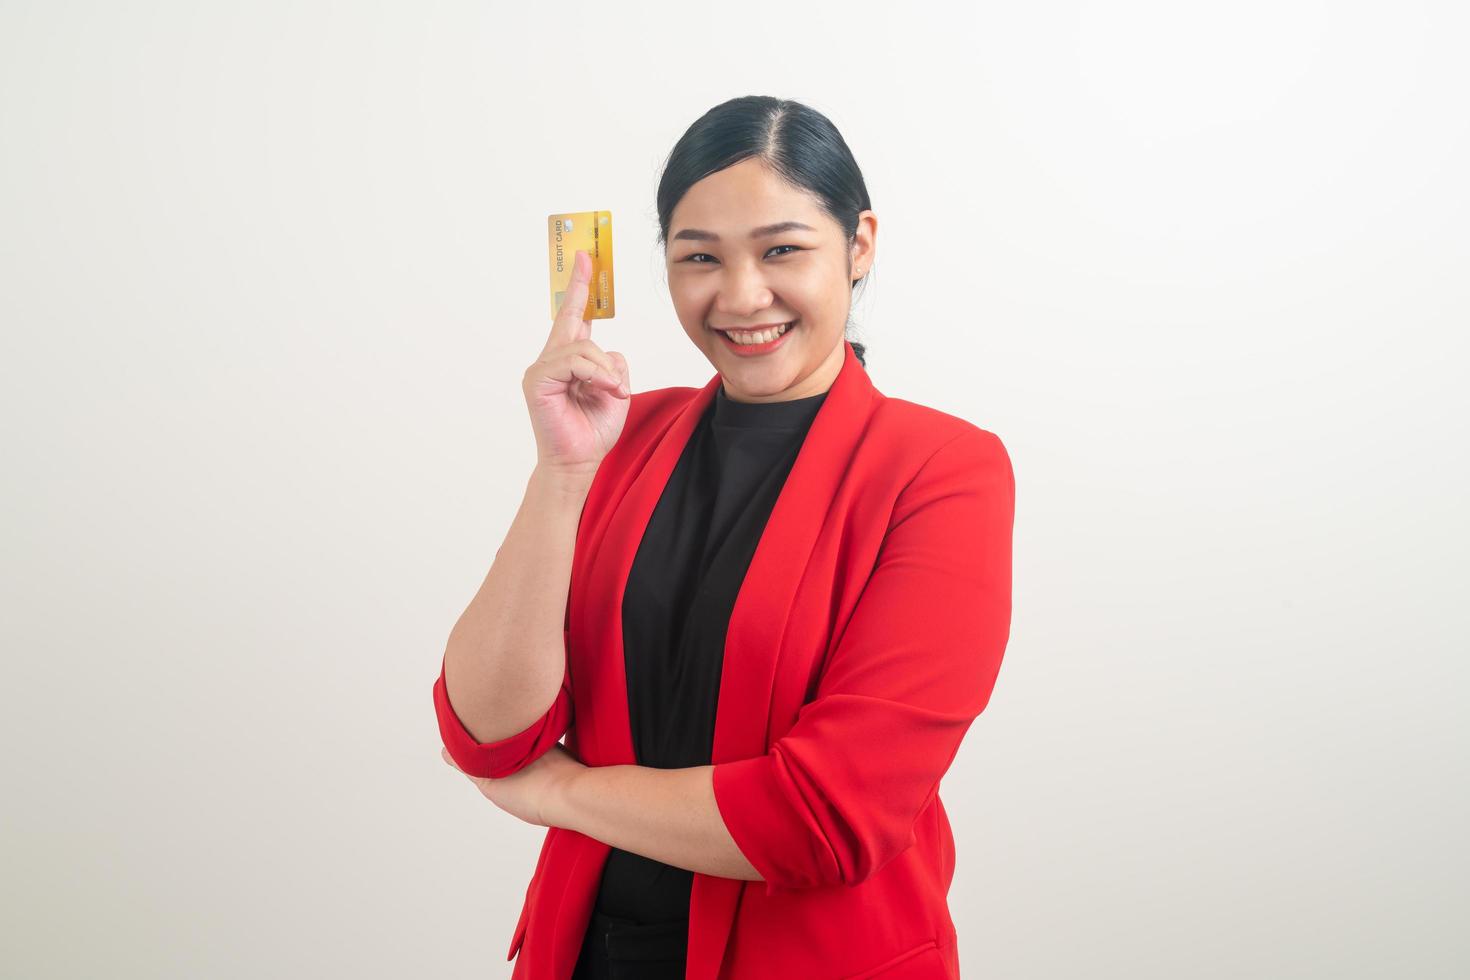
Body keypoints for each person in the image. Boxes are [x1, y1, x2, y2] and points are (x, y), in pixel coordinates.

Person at [434, 95, 1015, 980]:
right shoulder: (622, 437)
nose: (742, 297)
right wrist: (560, 476)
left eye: (783, 249)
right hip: (584, 955)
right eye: (699, 257)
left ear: (858, 245)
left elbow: (826, 816)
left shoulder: (941, 470)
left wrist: (562, 792)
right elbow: (488, 733)